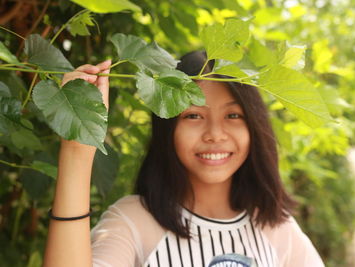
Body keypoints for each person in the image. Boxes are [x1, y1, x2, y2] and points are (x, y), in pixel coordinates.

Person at [43, 51, 325, 267]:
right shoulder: (132, 222)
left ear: (255, 126)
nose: (215, 134)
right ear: (168, 128)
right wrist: (77, 149)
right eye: (193, 115)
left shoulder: (277, 228)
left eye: (233, 115)